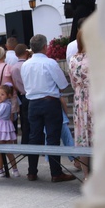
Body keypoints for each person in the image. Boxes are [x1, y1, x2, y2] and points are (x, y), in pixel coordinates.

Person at [22, 34, 75, 182]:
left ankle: (31, 172)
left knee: (34, 137)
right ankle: (56, 172)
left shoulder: (26, 64)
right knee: (52, 137)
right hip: (50, 102)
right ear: (45, 47)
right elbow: (63, 85)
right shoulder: (50, 63)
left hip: (33, 103)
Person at [68, 29, 93, 180]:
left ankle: (86, 176)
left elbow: (72, 83)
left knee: (83, 139)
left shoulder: (72, 60)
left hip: (79, 100)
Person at [0, 85, 20, 177]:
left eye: (2, 94)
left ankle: (1, 170)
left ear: (8, 95)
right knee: (8, 151)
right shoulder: (8, 103)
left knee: (1, 151)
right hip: (7, 126)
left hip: (0, 127)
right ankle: (15, 170)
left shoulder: (2, 105)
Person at [10, 44, 32, 144]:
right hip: (32, 94)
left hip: (22, 94)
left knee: (24, 121)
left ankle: (25, 142)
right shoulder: (29, 64)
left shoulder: (14, 67)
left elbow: (14, 83)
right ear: (26, 52)